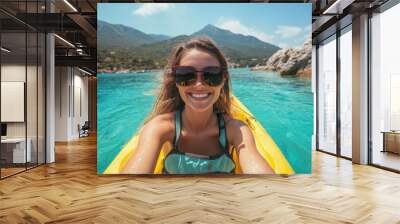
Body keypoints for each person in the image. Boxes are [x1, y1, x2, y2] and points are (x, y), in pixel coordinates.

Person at [122, 37, 274, 174]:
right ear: (175, 79)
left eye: (211, 75)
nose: (199, 84)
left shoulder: (235, 130)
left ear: (223, 79)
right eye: (186, 75)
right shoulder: (160, 128)